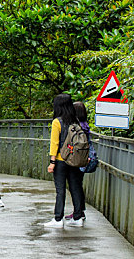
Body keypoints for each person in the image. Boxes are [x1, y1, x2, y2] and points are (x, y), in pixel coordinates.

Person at [43, 93, 85, 228]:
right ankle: (78, 217)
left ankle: (58, 219)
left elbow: (54, 143)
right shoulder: (76, 121)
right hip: (74, 160)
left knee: (60, 190)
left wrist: (52, 162)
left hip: (61, 161)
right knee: (75, 188)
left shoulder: (57, 122)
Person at [64, 101, 90, 221]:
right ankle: (80, 211)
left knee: (75, 186)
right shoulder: (85, 125)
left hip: (77, 159)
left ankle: (78, 213)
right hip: (84, 158)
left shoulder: (76, 127)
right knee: (78, 185)